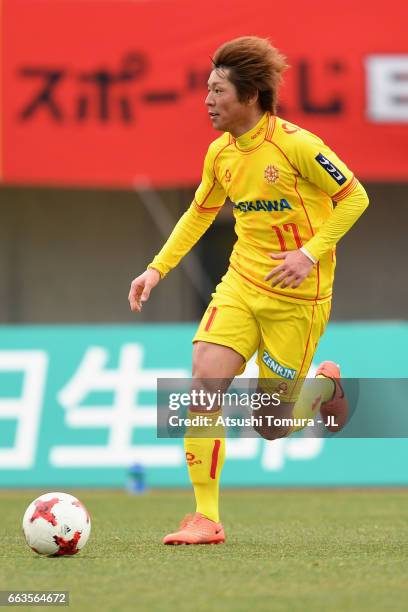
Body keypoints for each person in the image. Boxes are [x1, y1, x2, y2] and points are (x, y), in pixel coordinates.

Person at [128, 36, 369, 545]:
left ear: (251, 95)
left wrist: (308, 254)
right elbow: (198, 214)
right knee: (203, 382)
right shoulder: (220, 154)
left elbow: (355, 197)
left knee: (271, 425)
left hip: (297, 300)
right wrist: (156, 269)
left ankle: (326, 387)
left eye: (217, 91)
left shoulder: (297, 145)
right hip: (240, 286)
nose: (207, 101)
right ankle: (205, 518)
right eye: (206, 90)